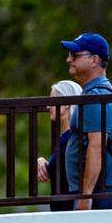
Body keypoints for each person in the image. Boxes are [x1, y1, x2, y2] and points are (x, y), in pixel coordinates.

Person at [60, 31, 112, 210]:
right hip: (99, 191)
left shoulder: (97, 96)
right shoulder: (94, 93)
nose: (69, 59)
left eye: (74, 54)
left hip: (101, 193)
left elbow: (96, 146)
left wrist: (86, 196)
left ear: (94, 60)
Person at [35, 79, 82, 211]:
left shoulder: (72, 138)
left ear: (66, 104)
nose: (48, 107)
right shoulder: (65, 138)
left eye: (52, 102)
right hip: (63, 209)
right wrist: (42, 161)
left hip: (71, 210)